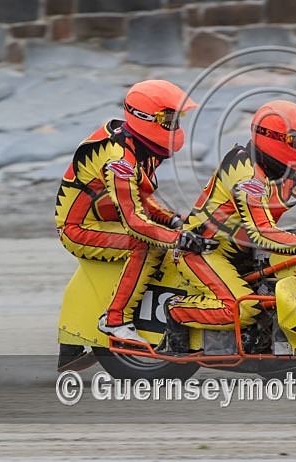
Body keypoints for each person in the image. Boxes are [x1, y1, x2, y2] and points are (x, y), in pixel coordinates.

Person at [162, 100, 296, 352]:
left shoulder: (285, 170)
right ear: (275, 139)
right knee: (243, 308)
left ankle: (270, 338)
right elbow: (262, 233)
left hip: (246, 251)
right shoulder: (246, 175)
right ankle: (176, 311)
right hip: (204, 250)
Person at [55, 79, 209, 369]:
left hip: (107, 219)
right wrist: (177, 237)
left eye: (178, 119)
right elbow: (134, 221)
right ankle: (114, 321)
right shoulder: (119, 160)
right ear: (145, 118)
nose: (175, 127)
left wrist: (175, 220)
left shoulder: (140, 146)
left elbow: (140, 198)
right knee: (145, 245)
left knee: (171, 234)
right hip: (78, 228)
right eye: (169, 120)